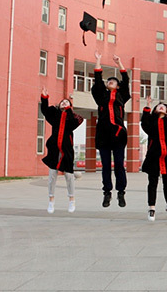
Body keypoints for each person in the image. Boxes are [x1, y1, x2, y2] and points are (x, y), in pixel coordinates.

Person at [91, 51, 130, 208]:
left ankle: (121, 193)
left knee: (119, 165)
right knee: (106, 166)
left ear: (118, 86)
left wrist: (119, 63)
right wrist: (98, 60)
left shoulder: (122, 96)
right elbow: (98, 79)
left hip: (118, 134)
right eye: (109, 81)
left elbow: (126, 80)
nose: (110, 82)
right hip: (103, 135)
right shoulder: (101, 96)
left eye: (113, 81)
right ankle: (107, 192)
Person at [40, 87, 84, 214]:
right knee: (52, 176)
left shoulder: (75, 118)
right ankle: (51, 200)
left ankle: (71, 199)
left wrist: (68, 110)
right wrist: (44, 98)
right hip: (54, 149)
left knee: (69, 176)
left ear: (70, 106)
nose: (64, 103)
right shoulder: (54, 114)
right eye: (62, 102)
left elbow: (72, 123)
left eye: (67, 102)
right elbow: (44, 110)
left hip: (67, 150)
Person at [141, 96, 167, 221]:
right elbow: (144, 124)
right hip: (153, 155)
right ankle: (151, 208)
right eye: (158, 106)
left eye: (164, 106)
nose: (161, 106)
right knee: (152, 182)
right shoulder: (150, 121)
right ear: (155, 110)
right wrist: (147, 106)